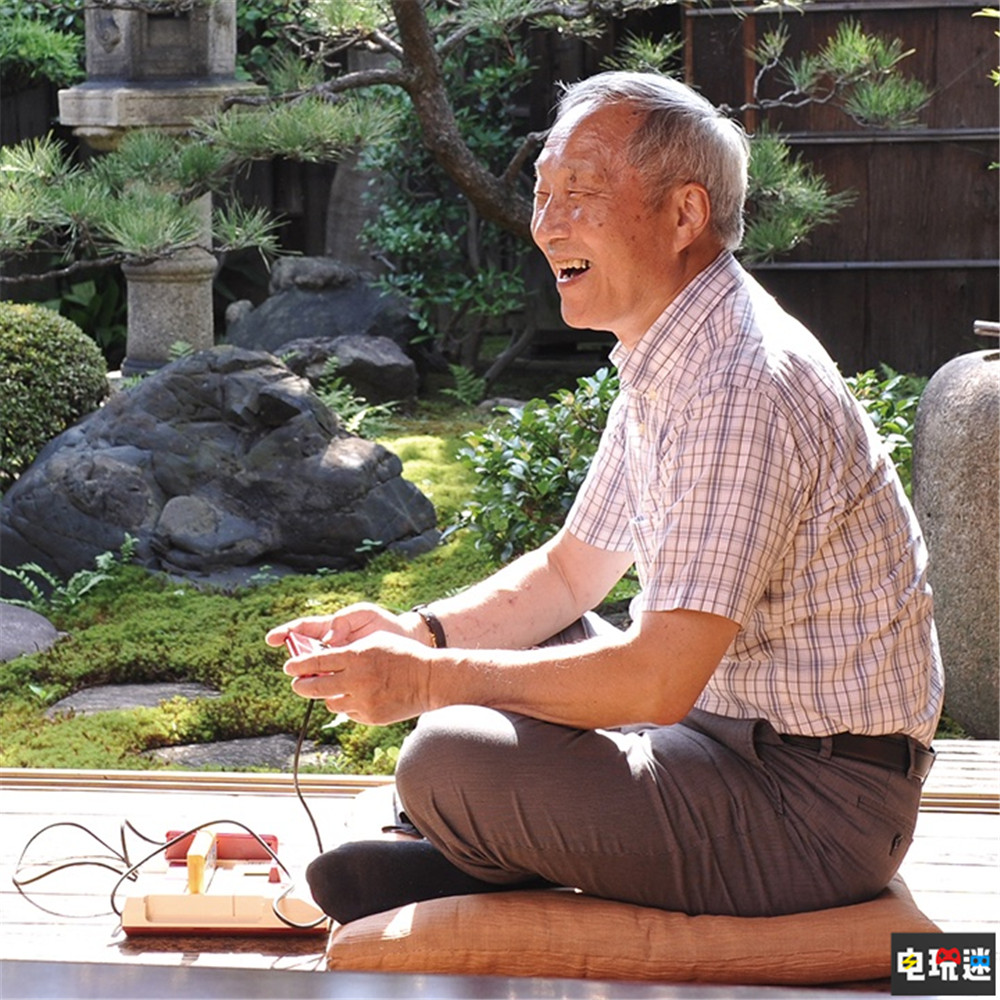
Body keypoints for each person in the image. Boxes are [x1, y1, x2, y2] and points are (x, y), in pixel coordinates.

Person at [266, 71, 943, 926]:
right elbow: (566, 577)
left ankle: (487, 846)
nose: (547, 226)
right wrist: (418, 632)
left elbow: (657, 680)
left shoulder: (739, 381)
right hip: (720, 737)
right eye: (544, 195)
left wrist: (428, 682)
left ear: (685, 214)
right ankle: (492, 844)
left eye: (580, 194)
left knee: (443, 757)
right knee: (525, 649)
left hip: (812, 806)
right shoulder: (672, 350)